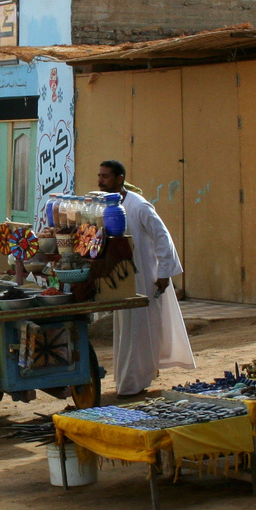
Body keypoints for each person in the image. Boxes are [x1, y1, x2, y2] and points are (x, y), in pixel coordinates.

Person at [98, 160, 196, 397]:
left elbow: (162, 238)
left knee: (141, 331)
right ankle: (129, 380)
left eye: (106, 176)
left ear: (120, 179)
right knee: (126, 331)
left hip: (145, 278)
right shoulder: (103, 205)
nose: (100, 181)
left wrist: (164, 274)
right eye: (99, 176)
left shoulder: (139, 205)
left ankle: (132, 385)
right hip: (122, 280)